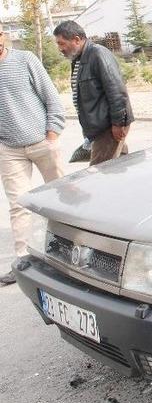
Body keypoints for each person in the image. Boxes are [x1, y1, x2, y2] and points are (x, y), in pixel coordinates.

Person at [0, 23, 65, 285]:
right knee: (18, 205)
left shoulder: (25, 59)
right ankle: (23, 261)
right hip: (9, 149)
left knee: (62, 199)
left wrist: (52, 134)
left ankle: (69, 257)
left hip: (42, 140)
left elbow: (51, 97)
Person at [54, 21, 134, 165]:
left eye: (61, 43)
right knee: (119, 170)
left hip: (108, 128)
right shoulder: (79, 58)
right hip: (99, 128)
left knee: (99, 174)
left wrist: (118, 123)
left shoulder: (98, 54)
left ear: (77, 39)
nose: (59, 48)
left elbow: (116, 90)